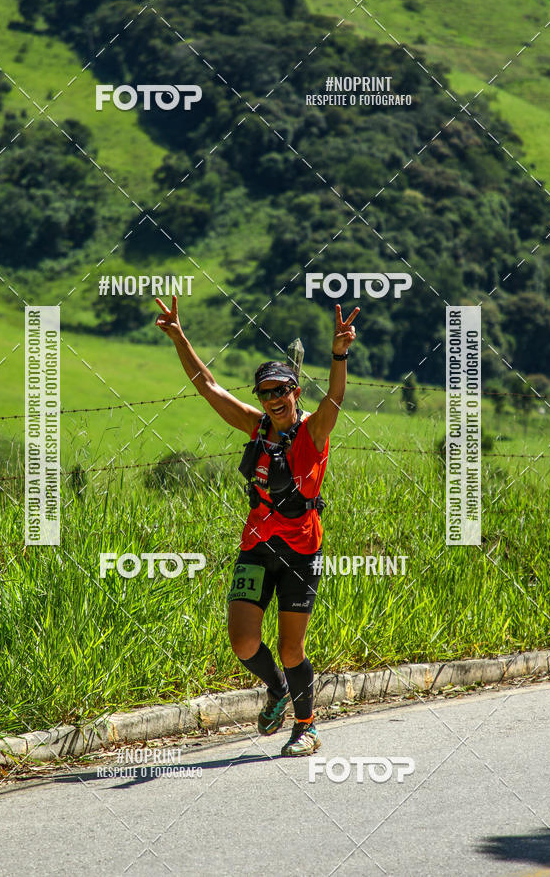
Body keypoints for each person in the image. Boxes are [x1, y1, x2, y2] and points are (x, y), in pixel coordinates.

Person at [155, 294, 359, 756]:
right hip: (257, 548)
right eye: (264, 393)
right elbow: (209, 388)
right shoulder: (258, 428)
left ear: (295, 392)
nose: (272, 400)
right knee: (244, 642)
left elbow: (336, 397)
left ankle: (306, 727)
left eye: (280, 391)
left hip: (301, 553)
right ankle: (277, 689)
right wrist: (179, 337)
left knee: (291, 649)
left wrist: (339, 352)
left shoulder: (313, 433)